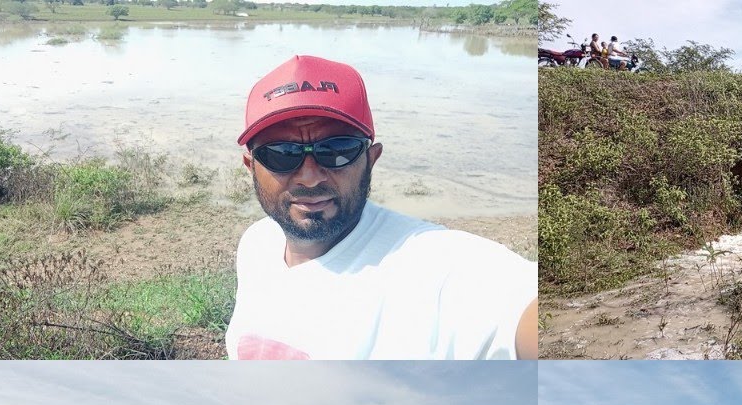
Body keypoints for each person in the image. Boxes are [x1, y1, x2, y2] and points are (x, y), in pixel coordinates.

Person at [227, 55, 538, 360]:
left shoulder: (429, 269)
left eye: (336, 150)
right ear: (251, 166)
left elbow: (516, 305)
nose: (309, 177)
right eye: (281, 154)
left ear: (371, 159)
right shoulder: (257, 244)